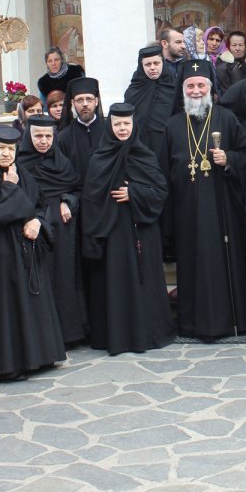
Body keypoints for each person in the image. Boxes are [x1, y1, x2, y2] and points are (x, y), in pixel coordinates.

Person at [163, 61, 246, 340]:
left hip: (220, 206)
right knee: (191, 264)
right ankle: (191, 324)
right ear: (182, 91)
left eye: (200, 85)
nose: (195, 90)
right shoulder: (172, 125)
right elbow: (164, 169)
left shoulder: (226, 118)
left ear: (210, 89)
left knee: (222, 261)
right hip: (186, 208)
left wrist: (229, 160)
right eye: (190, 86)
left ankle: (229, 322)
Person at [0, 126, 65, 379]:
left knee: (31, 303)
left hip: (27, 251)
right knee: (6, 307)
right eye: (0, 148)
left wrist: (38, 222)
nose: (5, 154)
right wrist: (9, 187)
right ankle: (8, 366)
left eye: (10, 149)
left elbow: (41, 204)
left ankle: (39, 358)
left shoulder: (22, 173)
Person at [82, 103, 174, 355]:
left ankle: (148, 333)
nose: (122, 128)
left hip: (142, 229)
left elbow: (160, 192)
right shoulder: (98, 158)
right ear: (110, 127)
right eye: (117, 124)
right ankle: (118, 336)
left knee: (145, 283)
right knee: (115, 281)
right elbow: (90, 197)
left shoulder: (145, 155)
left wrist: (133, 192)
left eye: (126, 123)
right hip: (112, 232)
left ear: (134, 125)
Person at [18, 114, 88, 346]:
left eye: (48, 136)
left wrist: (66, 200)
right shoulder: (19, 162)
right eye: (38, 136)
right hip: (32, 230)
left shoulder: (62, 161)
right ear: (29, 135)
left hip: (61, 231)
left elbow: (76, 188)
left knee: (63, 277)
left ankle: (68, 333)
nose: (43, 141)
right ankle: (42, 336)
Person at [123, 45, 176, 155]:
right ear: (141, 67)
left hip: (168, 145)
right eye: (148, 64)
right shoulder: (133, 92)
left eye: (156, 63)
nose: (152, 68)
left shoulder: (173, 88)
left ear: (163, 63)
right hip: (140, 147)